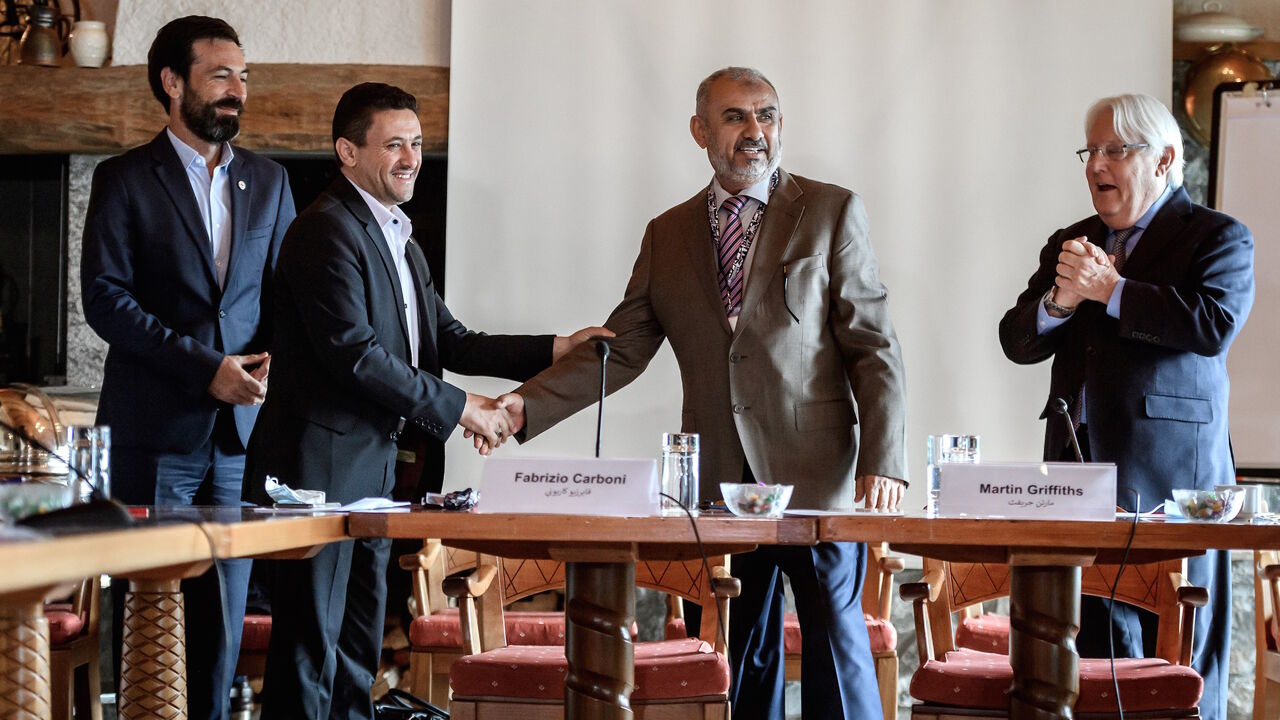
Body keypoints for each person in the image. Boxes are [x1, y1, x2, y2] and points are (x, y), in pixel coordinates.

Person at [494, 67, 907, 720]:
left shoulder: (829, 210)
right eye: (735, 117)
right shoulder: (668, 233)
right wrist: (522, 407)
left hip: (818, 475)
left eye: (766, 115)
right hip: (722, 479)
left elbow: (873, 345)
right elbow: (621, 349)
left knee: (835, 639)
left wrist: (884, 457)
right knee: (748, 647)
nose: (754, 132)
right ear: (699, 130)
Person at [241, 82, 607, 720]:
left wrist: (557, 347)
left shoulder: (400, 239)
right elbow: (356, 355)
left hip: (376, 474)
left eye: (416, 142)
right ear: (346, 151)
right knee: (311, 652)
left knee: (358, 650)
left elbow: (447, 339)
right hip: (316, 475)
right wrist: (466, 407)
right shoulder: (324, 230)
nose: (410, 157)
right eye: (393, 144)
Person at [998, 93, 1254, 720]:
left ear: (1166, 157)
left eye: (1116, 149)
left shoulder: (1217, 237)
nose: (1096, 165)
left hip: (1176, 484)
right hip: (1076, 477)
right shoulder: (1073, 241)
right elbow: (1017, 339)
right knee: (1085, 659)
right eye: (1091, 151)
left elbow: (1212, 325)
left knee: (1178, 664)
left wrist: (1111, 290)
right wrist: (1061, 300)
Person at [80, 15, 295, 720]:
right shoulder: (122, 180)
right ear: (173, 83)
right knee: (152, 630)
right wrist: (208, 368)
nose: (237, 91)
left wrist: (263, 375)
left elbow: (286, 297)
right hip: (153, 437)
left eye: (244, 77)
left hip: (237, 441)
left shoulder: (267, 181)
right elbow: (105, 301)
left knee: (221, 636)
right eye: (220, 75)